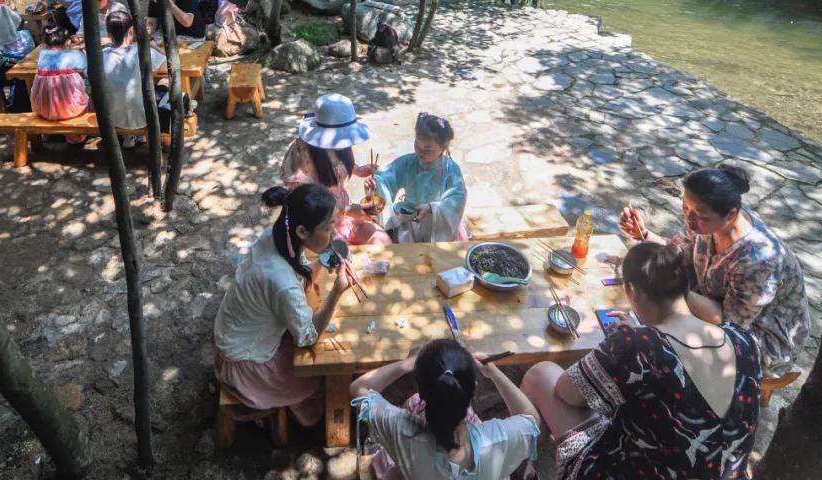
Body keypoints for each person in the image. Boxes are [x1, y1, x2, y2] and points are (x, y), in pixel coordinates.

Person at [520, 242, 761, 479]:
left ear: (632, 292)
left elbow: (566, 392)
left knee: (540, 375)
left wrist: (626, 343)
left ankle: (522, 467)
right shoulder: (745, 341)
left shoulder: (638, 344)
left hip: (630, 470)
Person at [620, 164, 810, 374]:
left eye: (700, 216)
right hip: (716, 303)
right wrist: (644, 235)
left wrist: (674, 287)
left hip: (760, 338)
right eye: (685, 208)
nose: (689, 220)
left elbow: (728, 322)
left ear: (730, 215)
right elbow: (677, 251)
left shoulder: (758, 260)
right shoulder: (709, 220)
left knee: (663, 337)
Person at [214, 184, 354, 425]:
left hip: (231, 334)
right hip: (245, 366)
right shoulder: (282, 283)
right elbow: (307, 337)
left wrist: (319, 264)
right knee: (327, 372)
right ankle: (306, 414)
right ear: (302, 231)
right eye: (328, 227)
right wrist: (337, 292)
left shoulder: (276, 234)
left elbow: (296, 268)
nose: (335, 234)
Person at [350, 339, 541, 480]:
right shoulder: (497, 439)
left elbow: (358, 388)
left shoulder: (402, 432)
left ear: (421, 393)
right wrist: (494, 373)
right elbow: (531, 417)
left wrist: (406, 365)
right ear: (473, 389)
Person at [280, 94, 391, 246]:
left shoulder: (342, 142)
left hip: (346, 213)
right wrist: (347, 210)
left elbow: (341, 164)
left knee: (382, 241)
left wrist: (360, 170)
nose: (343, 142)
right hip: (321, 223)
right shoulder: (302, 154)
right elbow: (306, 203)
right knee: (341, 259)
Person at [367, 112, 468, 243]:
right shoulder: (409, 162)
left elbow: (456, 199)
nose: (420, 151)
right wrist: (375, 182)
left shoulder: (451, 170)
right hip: (410, 221)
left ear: (443, 147)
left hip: (436, 224)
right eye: (417, 145)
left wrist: (432, 208)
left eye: (427, 149)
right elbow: (386, 177)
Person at [102, 10, 190, 148]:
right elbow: (170, 67)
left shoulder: (101, 55)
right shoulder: (141, 51)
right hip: (144, 118)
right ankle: (150, 136)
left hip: (112, 118)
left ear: (108, 34)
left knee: (127, 92)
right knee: (166, 84)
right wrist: (154, 46)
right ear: (131, 31)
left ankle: (130, 136)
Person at [30, 24, 89, 143]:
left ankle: (48, 135)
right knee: (88, 94)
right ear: (67, 41)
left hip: (42, 108)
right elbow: (86, 70)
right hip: (71, 109)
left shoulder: (43, 55)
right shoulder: (75, 55)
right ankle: (75, 137)